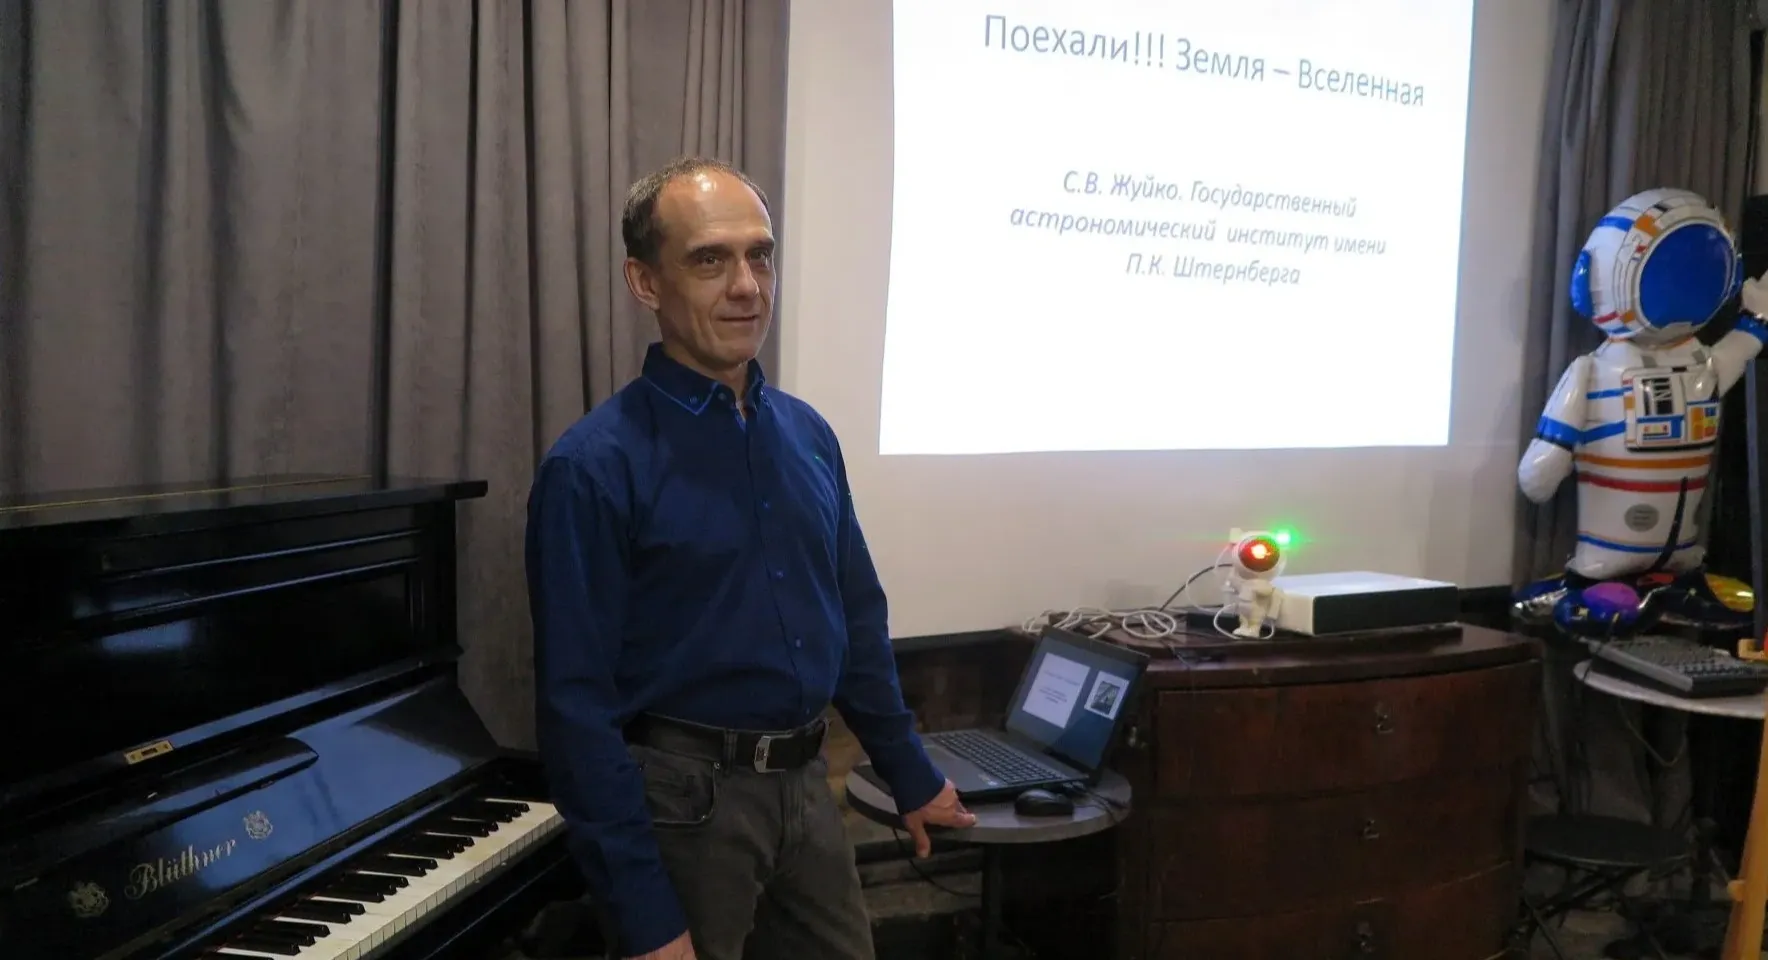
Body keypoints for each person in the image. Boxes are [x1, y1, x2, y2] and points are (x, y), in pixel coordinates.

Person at [524, 156, 976, 960]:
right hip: (683, 807)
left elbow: (855, 618)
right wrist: (644, 916)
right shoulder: (592, 468)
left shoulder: (808, 436)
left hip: (807, 787)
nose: (746, 286)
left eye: (759, 256)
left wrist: (908, 771)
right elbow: (575, 709)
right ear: (645, 281)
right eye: (710, 260)